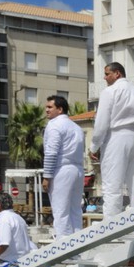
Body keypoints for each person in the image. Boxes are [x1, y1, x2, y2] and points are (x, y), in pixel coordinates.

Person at [91, 61, 134, 219]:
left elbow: (101, 122)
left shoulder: (110, 92)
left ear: (117, 73)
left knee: (112, 186)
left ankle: (110, 229)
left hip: (116, 137)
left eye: (107, 74)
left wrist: (94, 146)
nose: (105, 78)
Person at [41, 94, 85, 238]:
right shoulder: (76, 127)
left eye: (49, 107)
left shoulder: (54, 125)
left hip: (62, 169)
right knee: (75, 210)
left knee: (61, 211)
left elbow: (51, 152)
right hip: (78, 169)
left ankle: (64, 248)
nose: (46, 110)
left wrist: (47, 176)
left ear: (59, 109)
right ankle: (77, 245)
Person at [0, 195, 34, 265]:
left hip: (6, 264)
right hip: (22, 261)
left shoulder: (4, 219)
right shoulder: (18, 218)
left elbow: (4, 244)